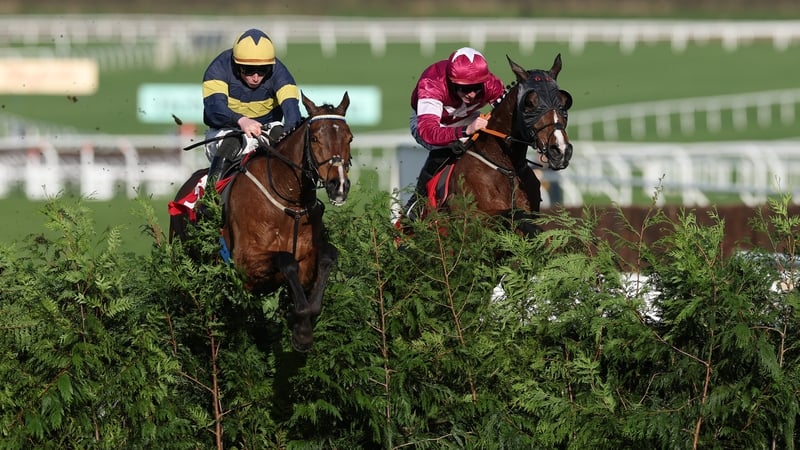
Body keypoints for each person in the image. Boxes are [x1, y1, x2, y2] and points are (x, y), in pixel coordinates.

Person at [405, 47, 505, 218]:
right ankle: (417, 202)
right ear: (452, 82)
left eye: (477, 88)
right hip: (430, 124)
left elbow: (508, 114)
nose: (472, 94)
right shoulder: (432, 83)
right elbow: (429, 132)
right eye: (465, 88)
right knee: (448, 147)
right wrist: (465, 130)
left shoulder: (490, 83)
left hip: (465, 117)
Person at [202, 28, 303, 180]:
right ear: (236, 65)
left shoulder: (281, 74)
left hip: (265, 131)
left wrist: (290, 133)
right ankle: (210, 198)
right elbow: (215, 109)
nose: (256, 77)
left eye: (263, 70)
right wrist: (241, 120)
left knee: (287, 141)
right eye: (248, 70)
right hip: (225, 131)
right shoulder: (217, 69)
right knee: (233, 141)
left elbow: (292, 113)